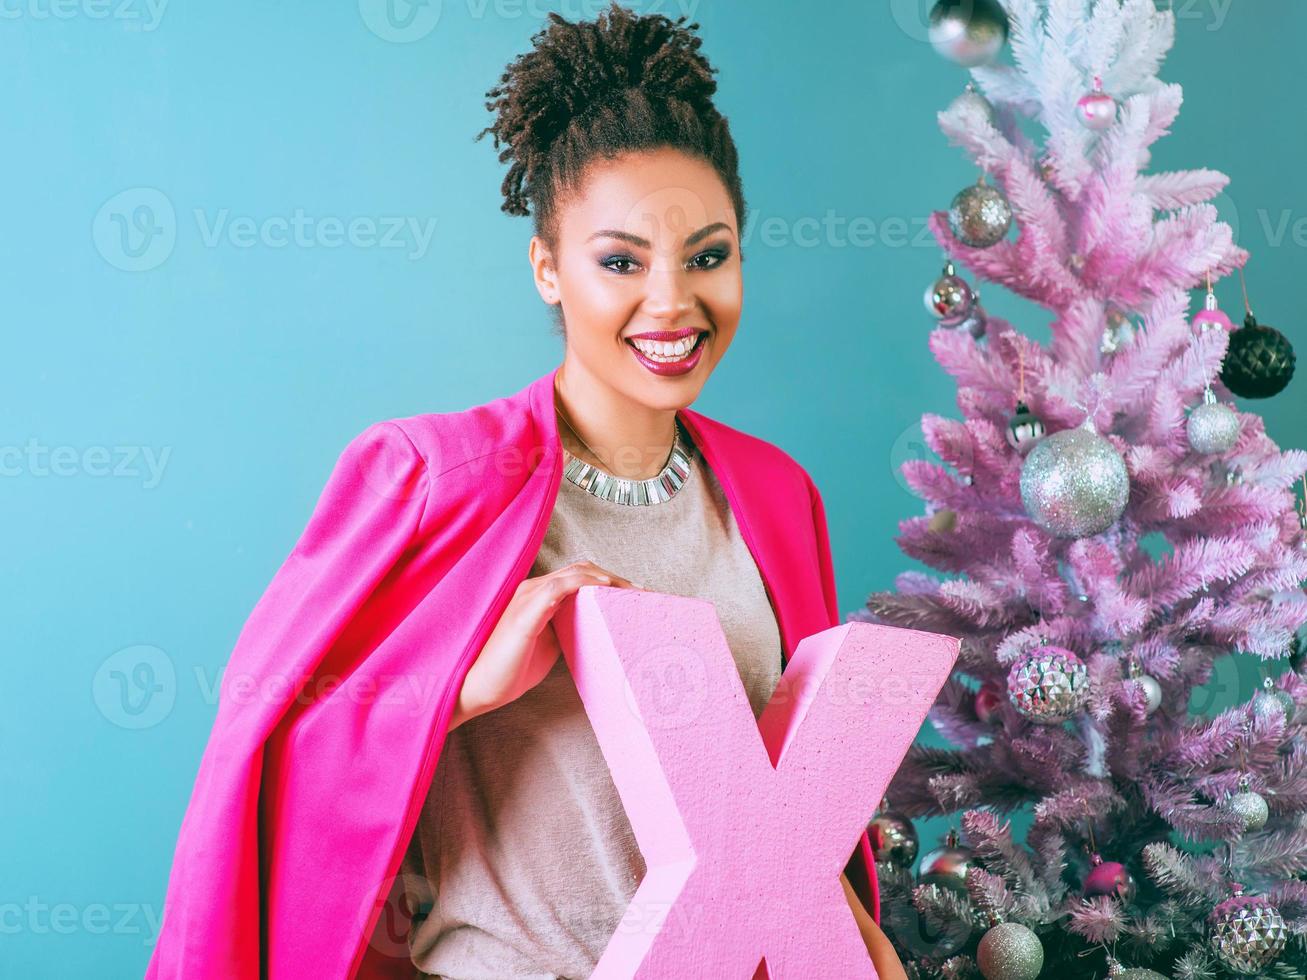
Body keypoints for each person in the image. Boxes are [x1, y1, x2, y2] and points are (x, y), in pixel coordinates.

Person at [146, 4, 905, 978]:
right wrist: (457, 692)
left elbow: (786, 813)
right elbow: (270, 762)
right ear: (547, 266)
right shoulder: (428, 478)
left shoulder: (774, 491)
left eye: (707, 256)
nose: (671, 301)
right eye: (620, 260)